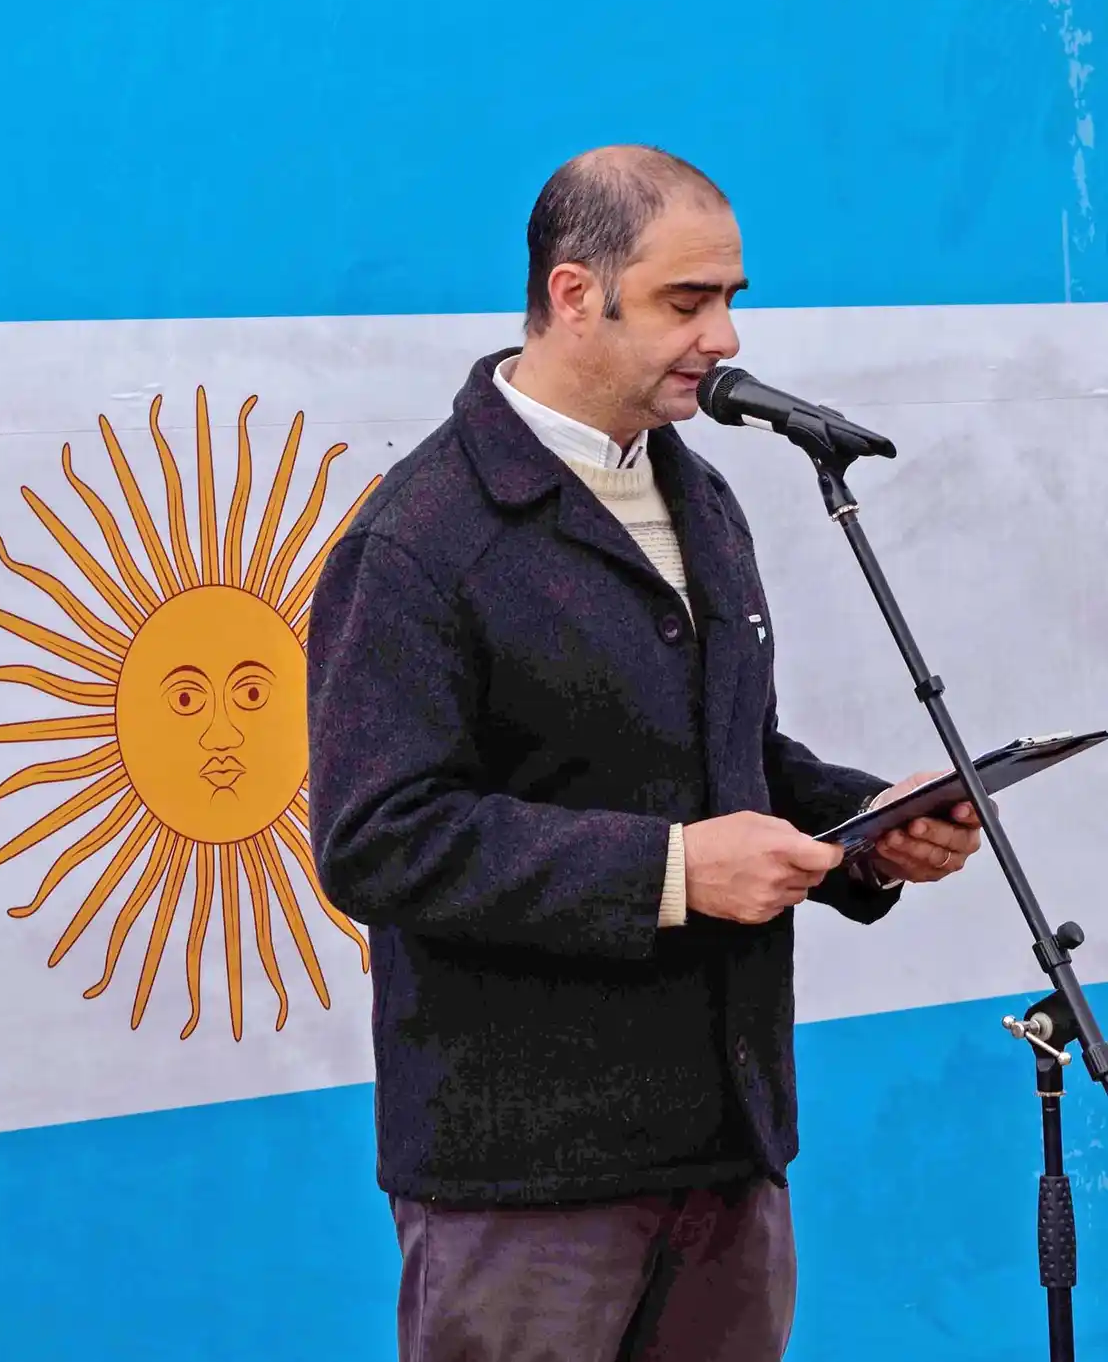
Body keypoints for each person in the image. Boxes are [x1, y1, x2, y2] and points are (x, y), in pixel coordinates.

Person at [305, 146, 984, 1361]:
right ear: (575, 296)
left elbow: (724, 752)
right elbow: (378, 837)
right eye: (688, 301)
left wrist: (869, 828)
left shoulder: (698, 495)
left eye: (731, 298)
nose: (725, 336)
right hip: (527, 1185)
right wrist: (671, 871)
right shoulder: (418, 538)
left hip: (726, 1150)